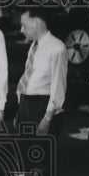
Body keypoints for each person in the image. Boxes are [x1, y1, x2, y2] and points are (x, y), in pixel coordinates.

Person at [15, 7, 67, 136]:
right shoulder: (34, 45)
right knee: (24, 152)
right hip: (26, 104)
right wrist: (20, 111)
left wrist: (47, 118)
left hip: (42, 107)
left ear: (36, 22)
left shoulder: (57, 48)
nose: (21, 30)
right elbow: (30, 78)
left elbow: (58, 86)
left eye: (24, 25)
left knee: (42, 152)